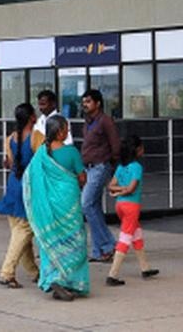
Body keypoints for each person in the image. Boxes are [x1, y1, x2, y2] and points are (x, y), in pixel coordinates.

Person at [23, 114, 90, 301]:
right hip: (68, 204)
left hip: (48, 207)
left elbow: (29, 179)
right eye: (67, 128)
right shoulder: (71, 152)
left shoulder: (41, 154)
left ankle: (54, 278)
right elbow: (82, 177)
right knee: (75, 240)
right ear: (59, 132)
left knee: (51, 239)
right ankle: (69, 282)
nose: (69, 131)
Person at [0, 103, 39, 289]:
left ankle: (35, 272)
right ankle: (7, 272)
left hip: (13, 185)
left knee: (19, 232)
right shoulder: (36, 137)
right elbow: (43, 162)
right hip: (28, 187)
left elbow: (9, 162)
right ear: (31, 118)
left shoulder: (10, 138)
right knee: (24, 230)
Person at [106, 135, 159, 285]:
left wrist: (118, 191)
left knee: (136, 234)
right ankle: (113, 274)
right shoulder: (137, 167)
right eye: (141, 147)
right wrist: (124, 190)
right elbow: (132, 188)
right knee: (125, 238)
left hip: (120, 205)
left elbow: (111, 185)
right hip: (131, 206)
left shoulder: (121, 167)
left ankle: (145, 267)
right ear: (136, 150)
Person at [78, 89, 119, 262]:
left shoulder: (105, 121)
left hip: (100, 166)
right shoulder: (88, 122)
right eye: (84, 102)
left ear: (98, 103)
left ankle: (108, 243)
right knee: (93, 208)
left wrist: (114, 168)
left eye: (88, 101)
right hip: (88, 168)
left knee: (86, 204)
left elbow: (115, 144)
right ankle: (99, 250)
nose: (85, 105)